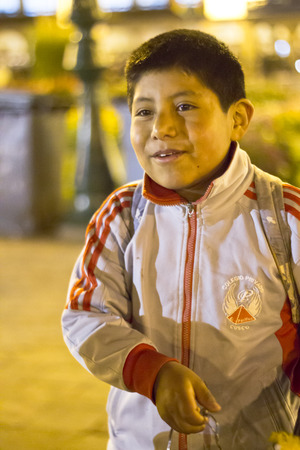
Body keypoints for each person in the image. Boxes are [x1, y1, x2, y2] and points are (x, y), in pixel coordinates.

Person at [62, 29, 300, 449]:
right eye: (144, 111)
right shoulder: (121, 215)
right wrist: (152, 371)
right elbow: (86, 314)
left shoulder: (284, 215)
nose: (163, 128)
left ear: (238, 118)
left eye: (185, 106)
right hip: (144, 440)